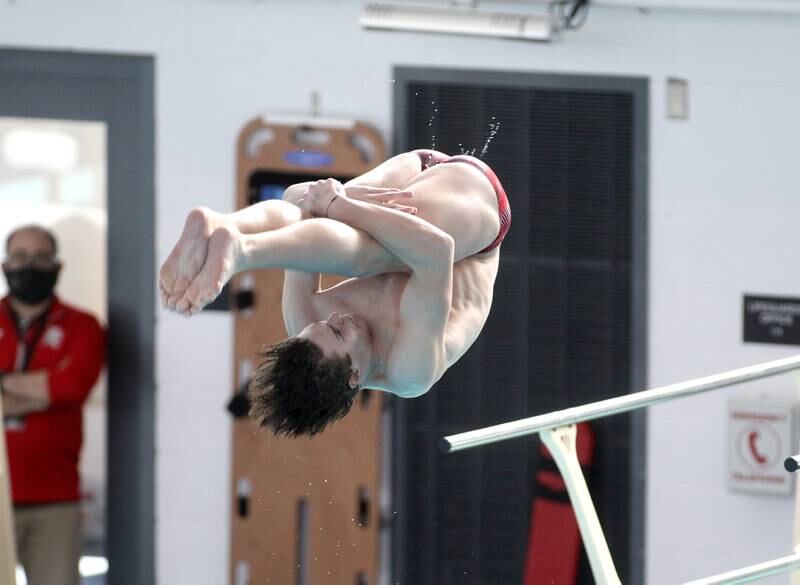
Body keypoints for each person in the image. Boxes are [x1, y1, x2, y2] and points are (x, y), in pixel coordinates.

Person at [160, 150, 510, 436]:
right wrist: (341, 206)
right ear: (354, 376)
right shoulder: (409, 370)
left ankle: (231, 228)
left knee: (307, 216)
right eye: (339, 332)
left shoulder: (304, 323)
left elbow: (295, 199)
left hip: (414, 173)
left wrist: (333, 201)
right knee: (367, 254)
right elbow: (436, 253)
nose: (335, 318)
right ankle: (243, 252)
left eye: (323, 325)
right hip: (477, 212)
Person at [0, 225, 106, 585]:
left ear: (57, 266)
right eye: (20, 257)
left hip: (54, 500)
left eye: (40, 257)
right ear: (5, 264)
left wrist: (4, 387)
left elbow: (72, 385)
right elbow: (57, 386)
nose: (29, 265)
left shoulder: (84, 326)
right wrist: (44, 390)